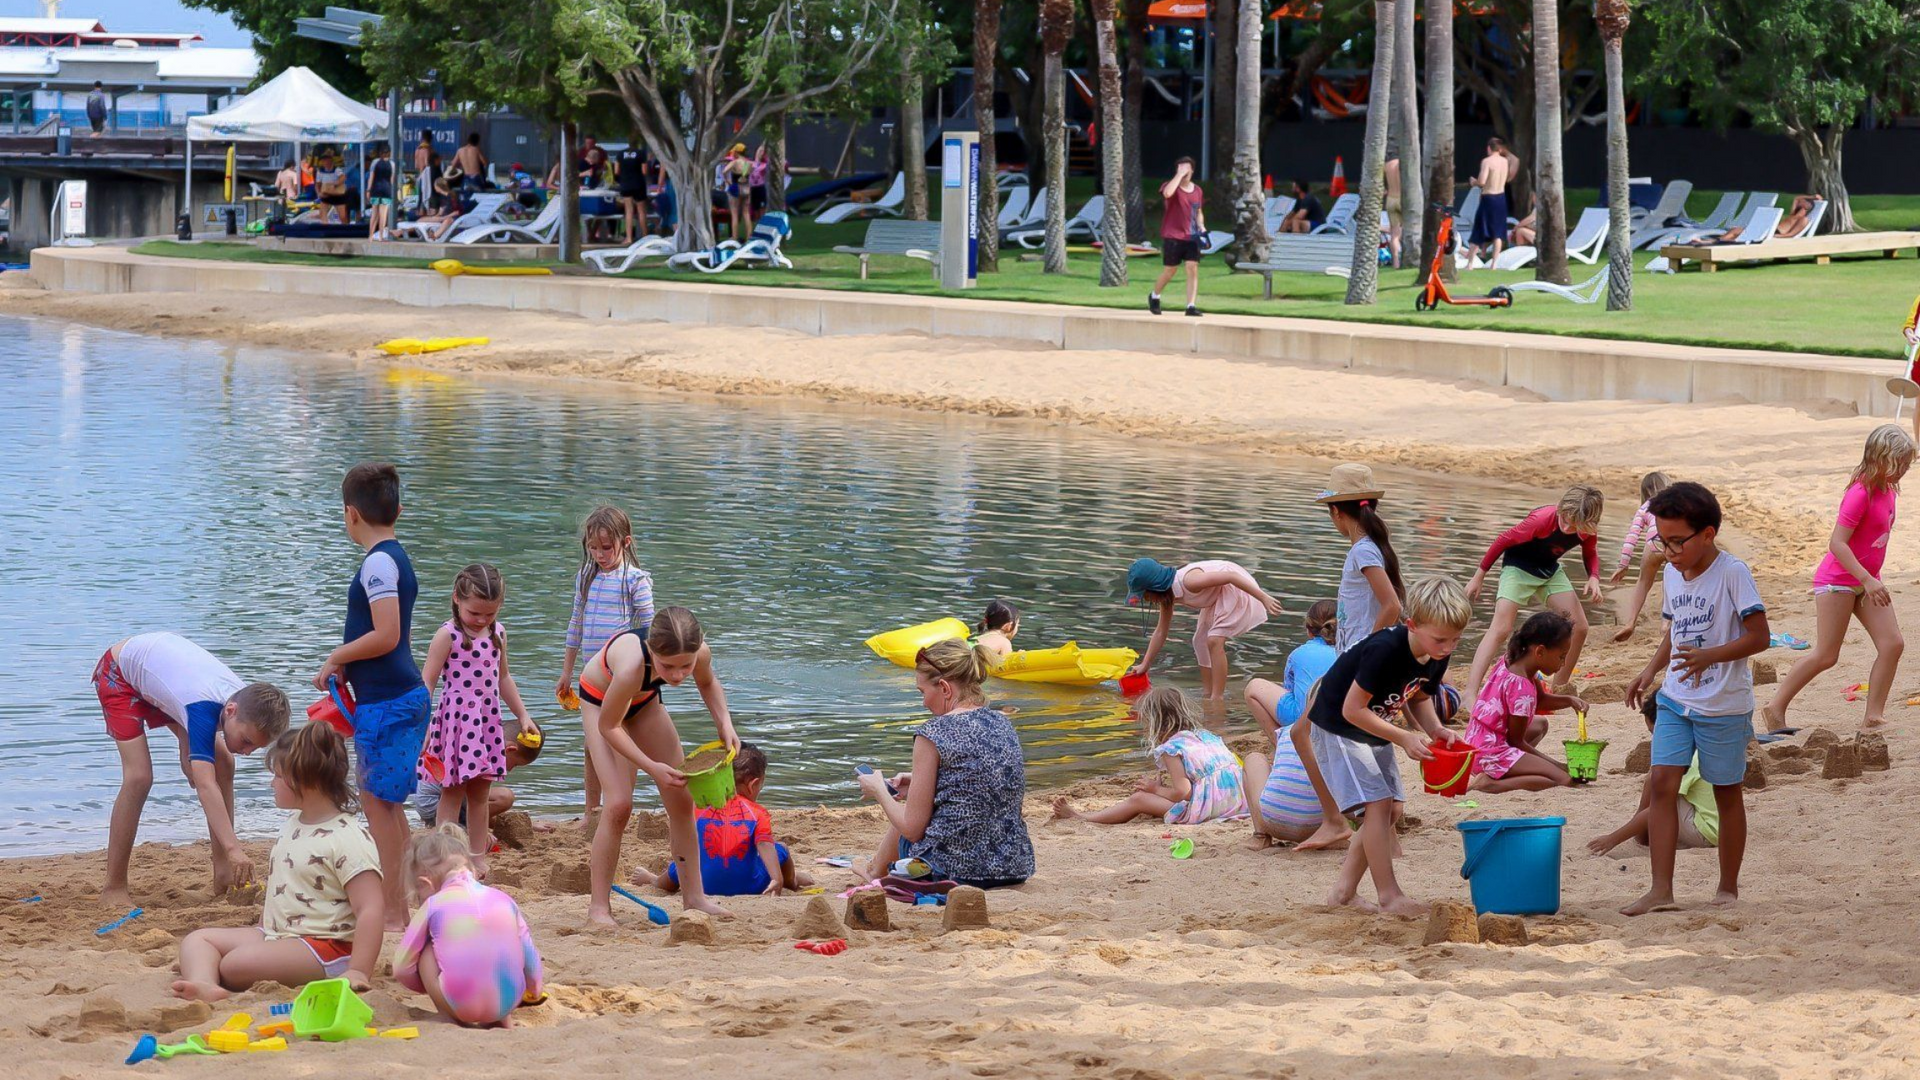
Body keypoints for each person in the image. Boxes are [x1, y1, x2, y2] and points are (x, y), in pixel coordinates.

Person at [1622, 481, 1768, 916]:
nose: (1669, 551)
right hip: (1675, 698)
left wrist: (1711, 656)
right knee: (1663, 782)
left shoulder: (1733, 573)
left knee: (1726, 791)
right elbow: (1675, 631)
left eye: (1677, 542)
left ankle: (1727, 887)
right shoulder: (1670, 572)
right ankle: (1660, 890)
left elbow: (1759, 637)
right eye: (1662, 542)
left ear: (1707, 533)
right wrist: (1650, 671)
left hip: (1723, 704)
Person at [170, 723, 382, 1002]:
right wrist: (263, 926)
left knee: (234, 965)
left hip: (325, 946)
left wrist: (359, 970)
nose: (272, 784)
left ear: (304, 781)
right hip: (278, 933)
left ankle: (227, 976)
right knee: (197, 940)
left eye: (278, 776)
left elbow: (371, 908)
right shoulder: (294, 823)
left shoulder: (347, 837)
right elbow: (286, 884)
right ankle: (205, 985)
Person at [1309, 577, 1472, 916]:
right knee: (1378, 804)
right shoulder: (1385, 650)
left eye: (1456, 639)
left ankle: (1342, 893)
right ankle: (1390, 896)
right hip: (1340, 726)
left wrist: (1436, 729)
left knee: (1391, 810)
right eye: (1441, 639)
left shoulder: (1436, 654)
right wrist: (1403, 737)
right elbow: (1351, 709)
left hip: (1374, 726)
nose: (1447, 647)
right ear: (1412, 624)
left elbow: (1420, 698)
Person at [313, 462, 428, 932]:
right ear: (397, 509)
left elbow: (386, 634)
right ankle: (408, 903)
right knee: (388, 807)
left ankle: (396, 912)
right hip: (398, 696)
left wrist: (336, 655)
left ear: (349, 514)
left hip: (389, 702)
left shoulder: (378, 562)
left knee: (378, 809)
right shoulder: (395, 556)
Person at [96, 634, 290, 906]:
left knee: (224, 762)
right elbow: (205, 785)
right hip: (119, 673)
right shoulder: (202, 708)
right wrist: (235, 848)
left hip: (161, 674)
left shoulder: (246, 703)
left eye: (254, 748)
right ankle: (114, 888)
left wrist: (187, 743)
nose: (247, 751)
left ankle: (223, 874)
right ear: (231, 710)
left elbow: (180, 693)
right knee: (139, 776)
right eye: (246, 741)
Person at [580, 607, 743, 923]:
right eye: (668, 667)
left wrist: (725, 723)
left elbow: (708, 684)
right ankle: (599, 907)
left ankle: (694, 898)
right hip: (601, 705)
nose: (679, 675)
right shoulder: (630, 667)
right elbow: (610, 727)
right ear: (652, 651)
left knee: (682, 799)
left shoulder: (699, 652)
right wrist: (652, 767)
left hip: (644, 702)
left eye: (687, 665)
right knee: (618, 805)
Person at [1762, 425, 1915, 733]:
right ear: (1881, 458)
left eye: (1908, 464)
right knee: (1827, 655)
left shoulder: (1888, 489)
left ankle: (1874, 714)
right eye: (1900, 463)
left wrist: (1871, 579)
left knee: (1892, 644)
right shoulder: (1860, 493)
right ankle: (1774, 707)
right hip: (1838, 581)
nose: (1904, 470)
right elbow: (1837, 543)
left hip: (1867, 580)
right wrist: (1867, 579)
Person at [855, 639, 1034, 889]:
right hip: (1013, 865)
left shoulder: (933, 732)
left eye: (923, 692)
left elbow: (912, 829)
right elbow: (982, 782)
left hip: (953, 870)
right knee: (921, 801)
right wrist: (919, 782)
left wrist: (878, 791)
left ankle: (875, 870)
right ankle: (875, 868)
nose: (923, 702)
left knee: (909, 817)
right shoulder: (1001, 721)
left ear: (944, 688)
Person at [419, 564, 537, 878]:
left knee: (480, 794)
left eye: (490, 614)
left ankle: (476, 856)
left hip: (486, 722)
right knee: (453, 789)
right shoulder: (447, 635)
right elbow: (427, 683)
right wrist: (426, 728)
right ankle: (446, 854)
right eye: (475, 613)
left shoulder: (498, 633)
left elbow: (504, 678)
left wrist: (522, 714)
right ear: (457, 599)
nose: (482, 620)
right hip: (456, 722)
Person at [557, 505, 655, 834]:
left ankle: (620, 804)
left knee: (619, 741)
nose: (599, 554)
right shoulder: (586, 576)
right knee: (591, 744)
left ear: (625, 543)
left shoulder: (634, 579)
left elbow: (651, 629)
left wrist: (647, 675)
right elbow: (575, 624)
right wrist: (567, 671)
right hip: (590, 673)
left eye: (606, 547)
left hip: (621, 674)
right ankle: (591, 811)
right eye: (593, 547)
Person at [1463, 485, 1606, 702]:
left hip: (1549, 570)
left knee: (1580, 627)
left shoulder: (1587, 529)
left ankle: (1558, 688)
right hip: (1518, 568)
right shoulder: (1542, 519)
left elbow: (1590, 553)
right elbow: (1503, 540)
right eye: (1565, 519)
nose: (1567, 527)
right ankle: (1470, 693)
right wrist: (1479, 575)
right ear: (1561, 507)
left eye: (1574, 524)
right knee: (1501, 628)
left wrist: (1594, 577)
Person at [393, 825, 544, 1028]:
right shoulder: (505, 899)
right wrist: (534, 990)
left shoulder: (433, 904)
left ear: (426, 882)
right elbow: (529, 955)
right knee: (499, 942)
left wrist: (424, 986)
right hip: (509, 1001)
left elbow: (402, 967)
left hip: (461, 1004)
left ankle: (449, 1016)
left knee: (427, 950)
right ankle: (501, 1019)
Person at [631, 743, 816, 896]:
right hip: (750, 887)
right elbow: (765, 845)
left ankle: (656, 881)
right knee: (781, 848)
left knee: (683, 862)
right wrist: (776, 877)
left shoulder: (699, 808)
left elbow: (682, 842)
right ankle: (792, 882)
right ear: (753, 785)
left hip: (700, 885)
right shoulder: (757, 813)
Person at [1051, 686, 1247, 824]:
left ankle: (1084, 818)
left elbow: (1183, 792)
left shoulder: (1172, 748)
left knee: (1139, 799)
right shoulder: (1204, 735)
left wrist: (1155, 790)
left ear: (1156, 722)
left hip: (1214, 806)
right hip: (1240, 798)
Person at [1125, 556, 1285, 701]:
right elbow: (1161, 631)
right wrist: (1145, 664)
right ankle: (1207, 692)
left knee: (1214, 640)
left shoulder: (1190, 581)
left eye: (1145, 596)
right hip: (1215, 596)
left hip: (1234, 588)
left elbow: (1231, 577)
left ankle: (1217, 697)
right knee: (1199, 641)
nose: (1146, 600)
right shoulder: (1168, 597)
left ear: (1156, 588)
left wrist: (1263, 597)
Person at [1464, 612, 1582, 793]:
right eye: (1561, 657)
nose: (1564, 663)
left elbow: (1541, 700)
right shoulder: (1522, 687)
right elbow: (1516, 741)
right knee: (1564, 779)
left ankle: (1509, 769)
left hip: (1476, 742)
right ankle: (1490, 783)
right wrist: (1557, 765)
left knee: (1540, 723)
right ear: (1540, 651)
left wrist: (1569, 700)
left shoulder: (1514, 660)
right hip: (1491, 753)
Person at [1589, 698, 1719, 857]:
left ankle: (1641, 834)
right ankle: (1641, 832)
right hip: (1721, 828)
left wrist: (1612, 839)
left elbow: (1660, 806)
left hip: (1707, 833)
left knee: (1658, 786)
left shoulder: (1687, 757)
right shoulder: (1700, 742)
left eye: (1655, 733)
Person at [1318, 463, 1405, 653]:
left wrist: (1366, 651)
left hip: (1360, 654)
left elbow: (1392, 605)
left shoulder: (1362, 551)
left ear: (1336, 511)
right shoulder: (1370, 546)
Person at [1244, 600, 1339, 741]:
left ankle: (1281, 744)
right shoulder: (1351, 650)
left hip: (1302, 722)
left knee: (1253, 687)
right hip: (1340, 721)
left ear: (1308, 630)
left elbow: (1289, 691)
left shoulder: (1298, 654)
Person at [414, 728, 542, 828]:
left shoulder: (484, 740)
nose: (509, 770)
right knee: (500, 797)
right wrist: (479, 832)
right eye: (515, 764)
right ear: (509, 749)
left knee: (502, 796)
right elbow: (472, 798)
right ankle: (464, 828)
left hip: (447, 798)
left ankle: (471, 826)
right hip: (433, 805)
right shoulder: (478, 751)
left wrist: (525, 825)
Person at [1611, 471, 1675, 642]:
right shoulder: (1676, 502)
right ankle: (1666, 622)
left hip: (1653, 543)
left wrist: (1623, 564)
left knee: (1643, 582)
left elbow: (1632, 537)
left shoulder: (1644, 507)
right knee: (1674, 577)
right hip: (1673, 541)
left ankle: (1630, 622)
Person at [1149, 157, 1206, 317]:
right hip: (1173, 235)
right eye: (1180, 169)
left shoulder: (1197, 191)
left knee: (1192, 268)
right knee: (1170, 270)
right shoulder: (1170, 186)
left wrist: (1201, 226)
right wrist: (1179, 176)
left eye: (1187, 169)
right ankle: (1154, 295)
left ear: (1192, 171)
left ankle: (1190, 306)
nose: (1184, 172)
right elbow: (1167, 193)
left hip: (1192, 236)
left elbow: (1198, 212)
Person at [1466, 138, 1512, 265]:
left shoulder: (1487, 161)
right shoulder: (1505, 162)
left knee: (1479, 230)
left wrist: (1473, 182)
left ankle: (1470, 264)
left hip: (1489, 198)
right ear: (1500, 149)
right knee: (1498, 232)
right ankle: (1494, 264)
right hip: (1501, 198)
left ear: (1489, 148)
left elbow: (1482, 181)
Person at [615, 139, 652, 243]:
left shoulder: (620, 154)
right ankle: (645, 237)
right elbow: (644, 171)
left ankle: (629, 237)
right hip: (638, 184)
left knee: (629, 211)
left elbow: (616, 171)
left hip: (626, 184)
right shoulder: (641, 153)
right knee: (641, 211)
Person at [723, 143, 754, 242]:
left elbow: (724, 171)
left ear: (736, 152)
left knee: (735, 214)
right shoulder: (749, 163)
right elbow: (750, 174)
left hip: (736, 188)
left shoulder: (735, 162)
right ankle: (749, 236)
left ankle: (734, 237)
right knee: (746, 213)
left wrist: (728, 181)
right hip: (747, 189)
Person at [366, 142, 396, 240]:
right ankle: (381, 236)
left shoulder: (375, 162)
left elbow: (371, 177)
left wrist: (368, 190)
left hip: (375, 190)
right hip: (386, 190)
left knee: (374, 214)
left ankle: (370, 236)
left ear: (380, 153)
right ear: (389, 153)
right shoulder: (392, 164)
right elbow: (391, 180)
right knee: (383, 214)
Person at [974, 600, 1020, 664]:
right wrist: (1018, 657)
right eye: (1017, 624)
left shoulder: (976, 637)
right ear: (1009, 626)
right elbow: (1006, 667)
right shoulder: (1004, 643)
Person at [314, 151, 349, 224]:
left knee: (343, 216)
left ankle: (345, 229)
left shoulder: (337, 170)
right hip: (326, 194)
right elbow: (318, 184)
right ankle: (325, 228)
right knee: (322, 214)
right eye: (323, 160)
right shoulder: (320, 171)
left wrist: (335, 184)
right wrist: (318, 193)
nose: (325, 162)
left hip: (337, 195)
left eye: (326, 160)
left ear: (331, 161)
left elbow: (343, 177)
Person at [1384, 152, 1403, 267]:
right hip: (1402, 199)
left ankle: (1395, 262)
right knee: (1409, 230)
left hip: (1391, 199)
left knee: (1394, 235)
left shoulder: (1386, 165)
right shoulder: (1403, 164)